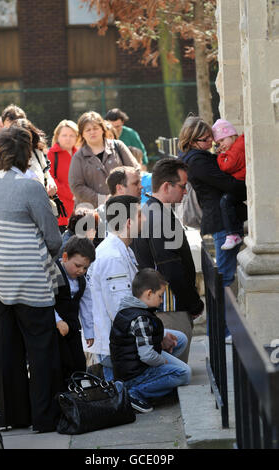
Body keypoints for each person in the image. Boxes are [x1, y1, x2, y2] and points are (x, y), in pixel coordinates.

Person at [0, 125, 64, 432]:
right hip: (29, 280)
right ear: (26, 154)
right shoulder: (30, 187)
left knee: (7, 348)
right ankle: (45, 418)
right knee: (41, 348)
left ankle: (12, 415)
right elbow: (53, 238)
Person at [178, 115, 247, 341]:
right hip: (220, 223)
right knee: (224, 279)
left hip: (219, 221)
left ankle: (220, 331)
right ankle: (221, 332)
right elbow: (226, 184)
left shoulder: (197, 157)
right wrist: (249, 187)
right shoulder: (197, 161)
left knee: (223, 277)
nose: (212, 143)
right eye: (207, 139)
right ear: (194, 139)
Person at [132, 158, 204, 362]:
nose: (185, 192)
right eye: (183, 186)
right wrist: (194, 303)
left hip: (165, 306)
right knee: (176, 372)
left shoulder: (150, 211)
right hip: (171, 308)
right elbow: (170, 269)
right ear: (166, 186)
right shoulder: (159, 217)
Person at [110, 268, 191, 413]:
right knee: (183, 374)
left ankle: (158, 383)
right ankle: (135, 393)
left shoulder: (128, 307)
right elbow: (147, 355)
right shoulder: (140, 319)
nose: (161, 301)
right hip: (134, 374)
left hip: (131, 365)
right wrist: (161, 361)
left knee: (179, 340)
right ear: (148, 293)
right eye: (160, 296)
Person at [88, 195, 141, 380]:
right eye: (140, 215)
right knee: (181, 372)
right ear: (128, 223)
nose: (143, 220)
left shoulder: (123, 249)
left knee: (178, 341)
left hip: (124, 338)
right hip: (115, 346)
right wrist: (149, 340)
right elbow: (121, 311)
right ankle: (130, 393)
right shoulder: (112, 256)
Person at [68, 111, 140, 210]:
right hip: (93, 213)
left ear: (102, 129)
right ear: (82, 134)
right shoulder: (78, 157)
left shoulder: (118, 146)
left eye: (95, 128)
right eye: (88, 130)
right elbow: (76, 186)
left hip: (124, 207)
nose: (92, 132)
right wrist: (103, 199)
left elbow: (135, 171)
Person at [55, 236, 95, 383]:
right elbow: (45, 300)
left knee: (78, 363)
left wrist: (89, 330)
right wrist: (57, 320)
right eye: (77, 265)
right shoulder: (54, 272)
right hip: (54, 329)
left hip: (72, 328)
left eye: (85, 268)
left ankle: (77, 395)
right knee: (61, 365)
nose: (81, 271)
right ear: (65, 257)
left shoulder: (82, 281)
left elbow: (86, 305)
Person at [212, 119, 246, 250]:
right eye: (218, 143)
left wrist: (221, 155)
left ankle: (232, 234)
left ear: (232, 135)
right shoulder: (237, 146)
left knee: (225, 202)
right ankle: (237, 232)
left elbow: (227, 166)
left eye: (222, 140)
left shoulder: (237, 148)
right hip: (240, 181)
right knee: (230, 203)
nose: (221, 145)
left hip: (240, 182)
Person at [48, 119, 79, 232]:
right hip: (61, 211)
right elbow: (50, 179)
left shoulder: (80, 154)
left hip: (80, 209)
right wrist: (72, 193)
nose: (68, 138)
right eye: (64, 135)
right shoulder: (51, 154)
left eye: (71, 135)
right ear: (57, 136)